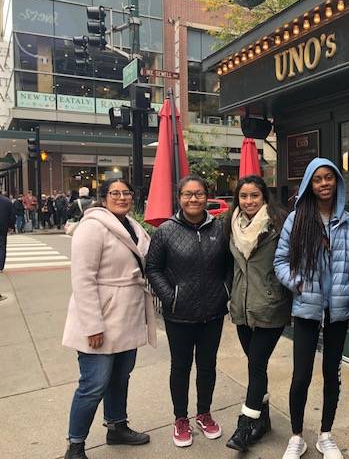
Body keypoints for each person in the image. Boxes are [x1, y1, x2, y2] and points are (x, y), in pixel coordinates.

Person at [274, 158, 349, 459]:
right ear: (309, 186)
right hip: (306, 308)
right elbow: (280, 261)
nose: (324, 183)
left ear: (337, 182)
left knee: (331, 373)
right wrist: (298, 283)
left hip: (339, 309)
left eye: (329, 178)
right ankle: (297, 436)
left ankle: (326, 435)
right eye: (318, 179)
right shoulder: (297, 220)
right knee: (300, 375)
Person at [62, 178, 156, 459]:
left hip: (127, 316)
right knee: (93, 385)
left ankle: (117, 426)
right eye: (115, 193)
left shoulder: (134, 226)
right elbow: (82, 280)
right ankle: (76, 444)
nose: (122, 197)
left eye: (127, 192)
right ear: (103, 198)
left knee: (120, 378)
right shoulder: (92, 227)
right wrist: (92, 325)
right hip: (100, 317)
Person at [146, 175, 232, 448]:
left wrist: (225, 291)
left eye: (198, 194)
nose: (193, 199)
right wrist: (171, 297)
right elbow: (153, 268)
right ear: (179, 197)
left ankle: (204, 413)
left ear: (207, 196)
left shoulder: (219, 229)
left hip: (213, 313)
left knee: (208, 366)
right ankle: (180, 417)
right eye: (187, 194)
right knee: (180, 367)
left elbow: (230, 264)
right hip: (178, 314)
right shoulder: (165, 231)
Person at [224, 175, 289, 452]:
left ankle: (245, 424)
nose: (248, 201)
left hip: (270, 306)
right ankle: (263, 421)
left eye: (254, 196)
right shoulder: (230, 225)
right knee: (255, 365)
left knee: (256, 365)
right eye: (244, 196)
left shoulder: (279, 224)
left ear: (264, 198)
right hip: (241, 307)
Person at [0, 193, 16, 276]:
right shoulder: (7, 202)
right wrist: (11, 226)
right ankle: (0, 266)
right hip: (3, 226)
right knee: (2, 246)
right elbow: (12, 215)